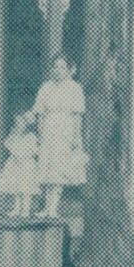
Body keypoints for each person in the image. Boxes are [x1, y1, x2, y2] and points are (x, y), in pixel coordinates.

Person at [34, 55, 88, 218]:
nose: (58, 70)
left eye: (62, 67)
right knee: (46, 168)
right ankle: (46, 208)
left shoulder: (75, 88)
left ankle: (53, 208)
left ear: (69, 70)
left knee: (58, 168)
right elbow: (40, 113)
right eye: (55, 67)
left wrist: (76, 137)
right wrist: (40, 132)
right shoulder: (46, 87)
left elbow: (77, 115)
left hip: (65, 130)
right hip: (48, 129)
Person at [0, 109, 42, 218]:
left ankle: (25, 210)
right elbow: (7, 145)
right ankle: (16, 208)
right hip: (14, 164)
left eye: (21, 123)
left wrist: (24, 156)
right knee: (16, 188)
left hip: (26, 164)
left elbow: (35, 151)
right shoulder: (14, 136)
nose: (19, 125)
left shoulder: (31, 137)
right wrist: (13, 135)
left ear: (27, 125)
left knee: (26, 188)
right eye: (17, 123)